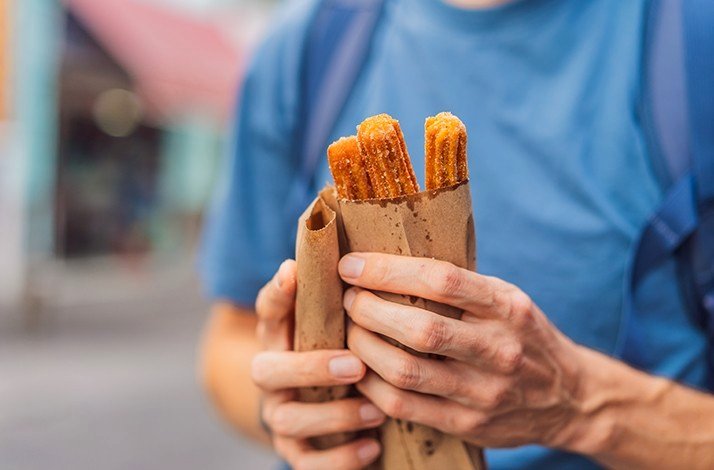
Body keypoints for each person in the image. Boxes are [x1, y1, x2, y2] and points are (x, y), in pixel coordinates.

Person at [199, 0, 714, 468]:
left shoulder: (690, 42)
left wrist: (581, 406)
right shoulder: (309, 47)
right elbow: (231, 340)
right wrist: (290, 410)